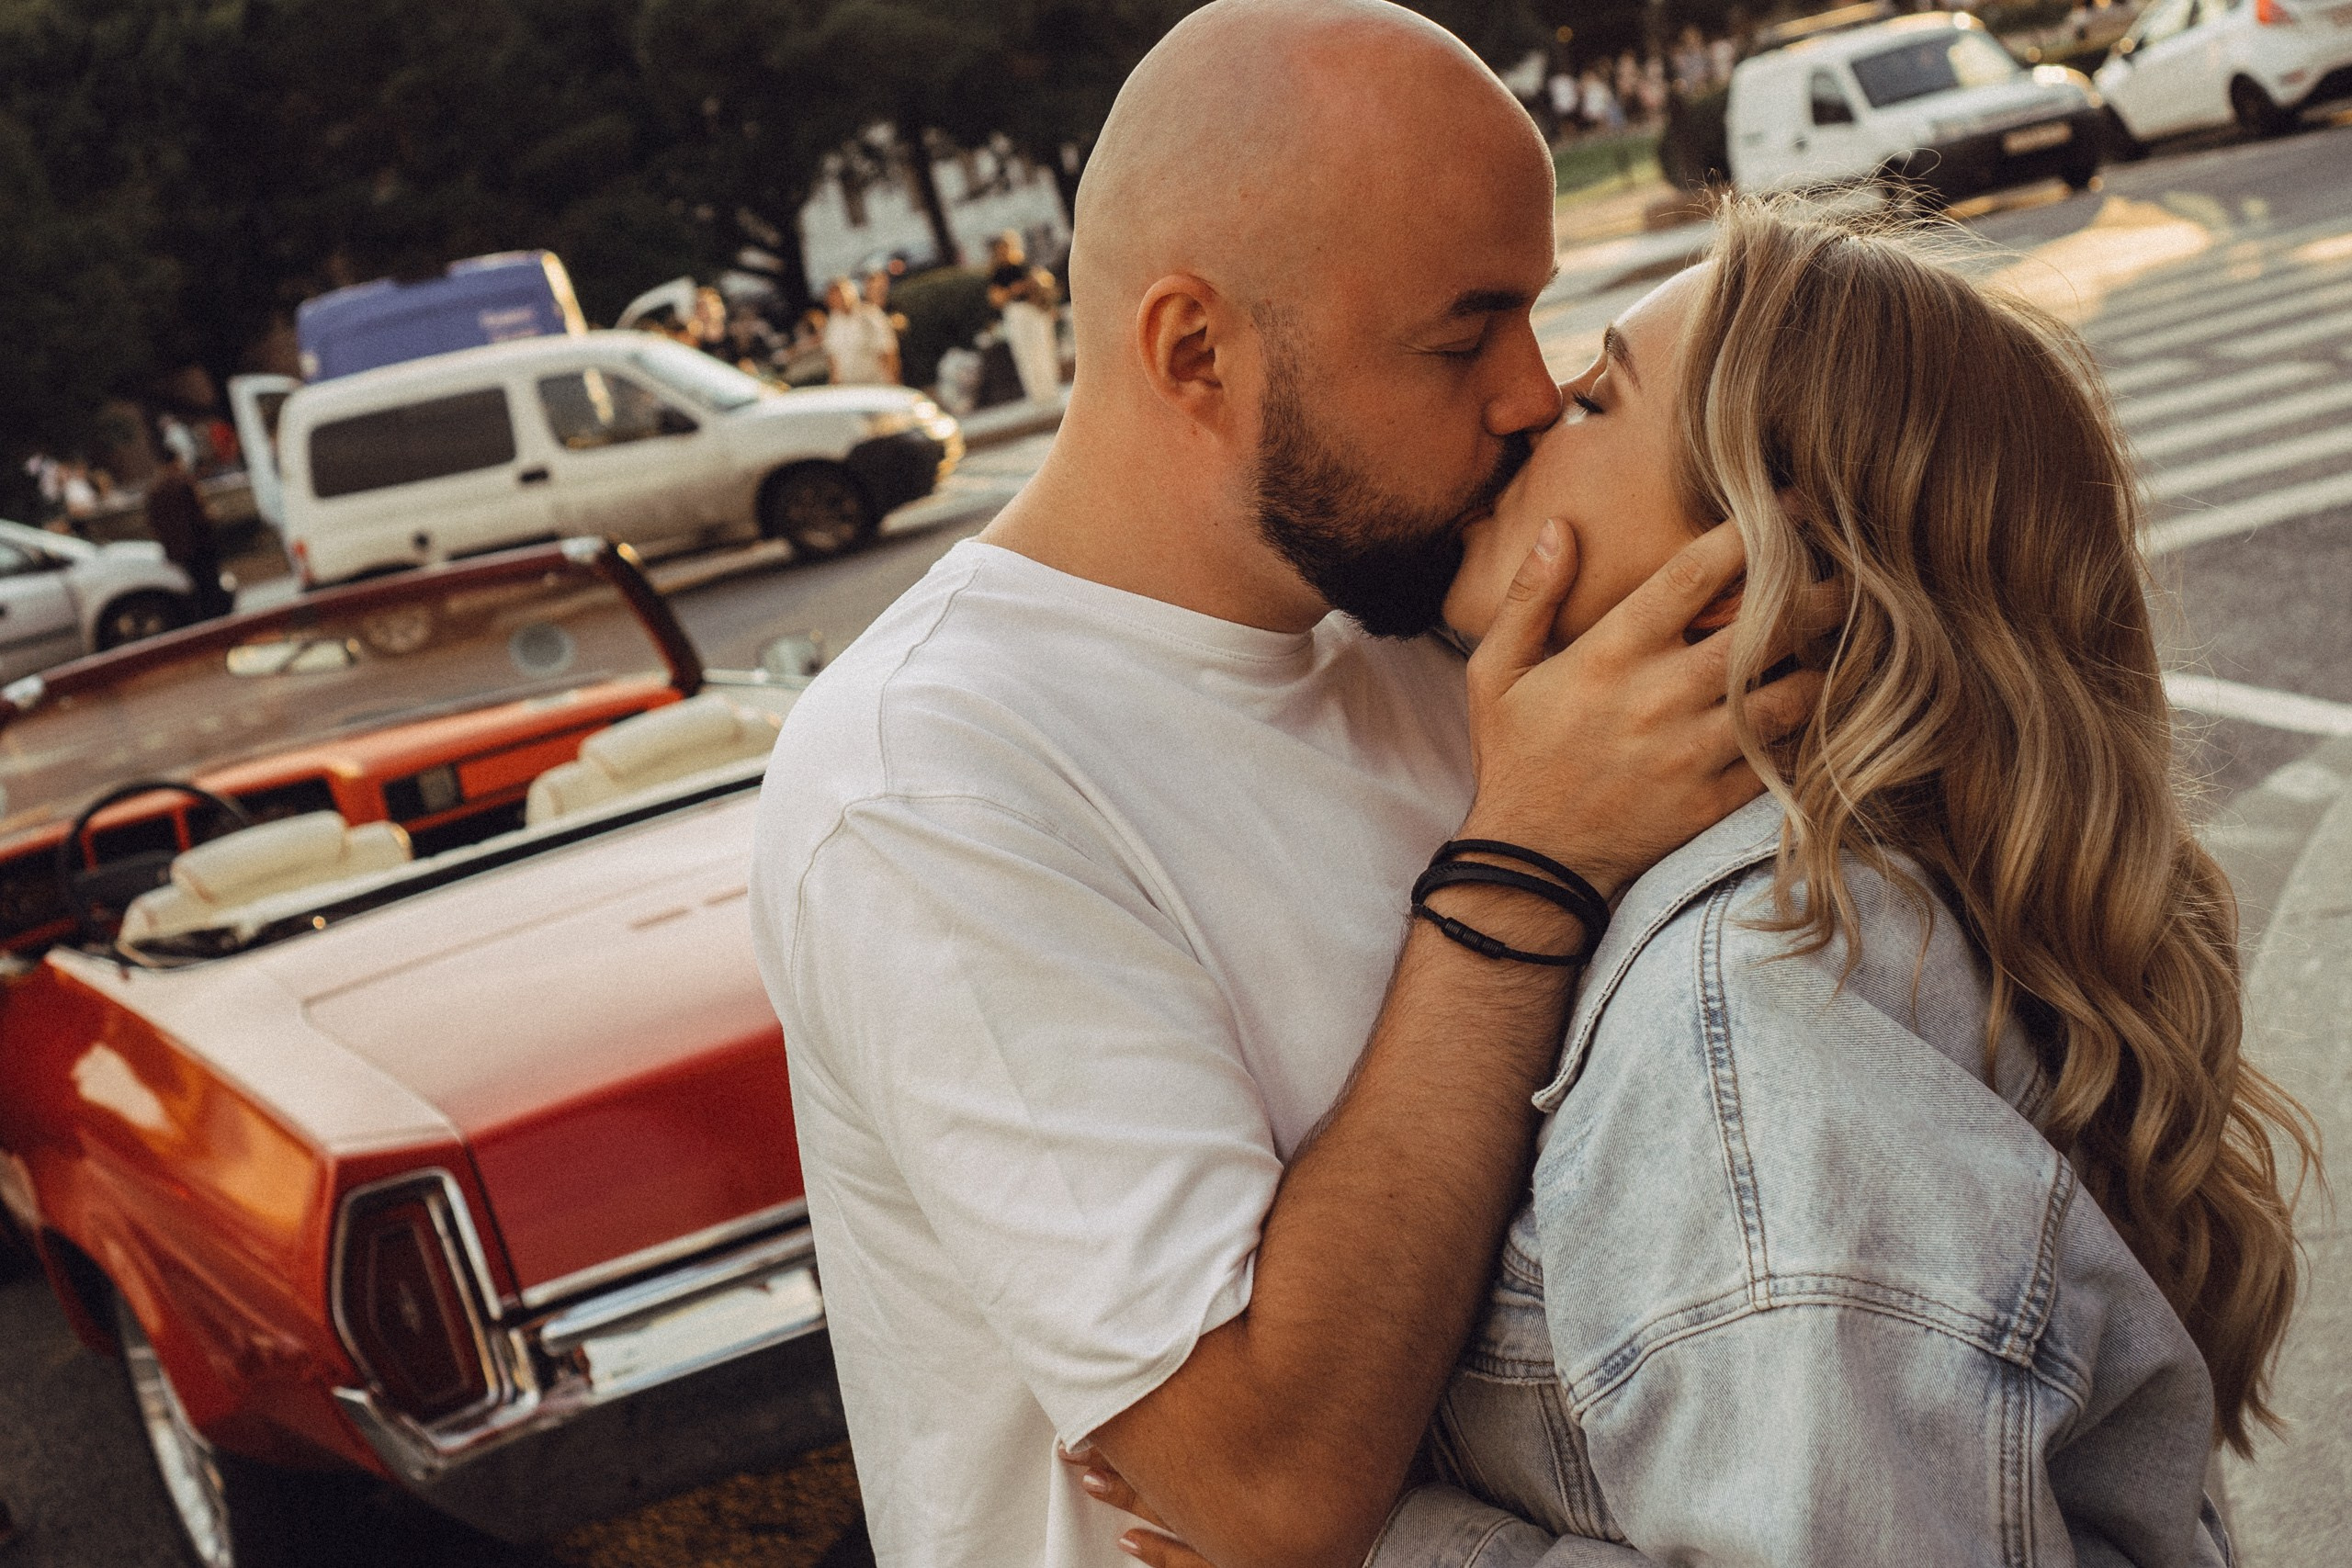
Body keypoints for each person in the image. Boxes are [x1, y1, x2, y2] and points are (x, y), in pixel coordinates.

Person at [1092, 199, 2316, 1568]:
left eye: (1596, 398)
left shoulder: (1758, 1020)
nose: (1526, 408)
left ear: (1744, 578)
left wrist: (1396, 1546)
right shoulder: (1850, 920)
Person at [748, 4, 1819, 1565]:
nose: (1528, 394)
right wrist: (1523, 863)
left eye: (1537, 316)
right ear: (1196, 352)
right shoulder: (934, 781)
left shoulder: (1434, 611)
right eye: (1462, 336)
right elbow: (1262, 1487)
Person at [142, 454, 232, 621]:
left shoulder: (154, 491)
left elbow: (153, 524)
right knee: (210, 587)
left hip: (177, 550)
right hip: (199, 545)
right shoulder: (183, 484)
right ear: (175, 463)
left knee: (193, 588)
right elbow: (198, 514)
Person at [987, 229, 1063, 402]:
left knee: (1043, 349)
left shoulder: (1024, 265)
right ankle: (1037, 395)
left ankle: (1051, 390)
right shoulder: (997, 272)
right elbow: (996, 298)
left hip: (1035, 310)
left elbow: (1043, 284)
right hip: (1016, 312)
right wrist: (1013, 290)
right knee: (1025, 354)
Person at [820, 276, 896, 386]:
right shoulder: (833, 323)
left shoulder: (871, 314)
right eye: (833, 296)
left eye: (840, 294)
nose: (837, 299)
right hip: (850, 387)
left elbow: (888, 350)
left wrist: (894, 383)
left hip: (876, 383)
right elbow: (832, 358)